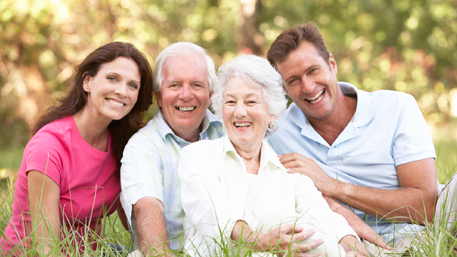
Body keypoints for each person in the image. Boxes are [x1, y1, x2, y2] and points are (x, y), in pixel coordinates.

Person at [266, 22, 439, 254]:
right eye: (293, 80)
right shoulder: (275, 132)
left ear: (332, 64)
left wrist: (333, 186)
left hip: (422, 232)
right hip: (345, 243)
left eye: (313, 70)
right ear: (285, 89)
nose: (307, 87)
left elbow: (426, 206)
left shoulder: (396, 107)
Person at [179, 55, 369, 257]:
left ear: (272, 114)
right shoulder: (198, 156)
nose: (240, 112)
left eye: (251, 101)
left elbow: (327, 220)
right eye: (231, 102)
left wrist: (355, 250)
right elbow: (212, 214)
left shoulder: (289, 174)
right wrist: (259, 242)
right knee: (276, 218)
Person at [0, 42, 153, 255]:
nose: (122, 91)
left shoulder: (124, 145)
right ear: (88, 82)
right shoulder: (49, 146)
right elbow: (47, 248)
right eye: (112, 78)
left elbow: (136, 226)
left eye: (132, 85)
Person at [120, 42, 224, 256]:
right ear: (158, 96)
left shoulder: (228, 133)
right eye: (175, 85)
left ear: (210, 94)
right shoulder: (143, 146)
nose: (186, 95)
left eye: (197, 85)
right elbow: (147, 208)